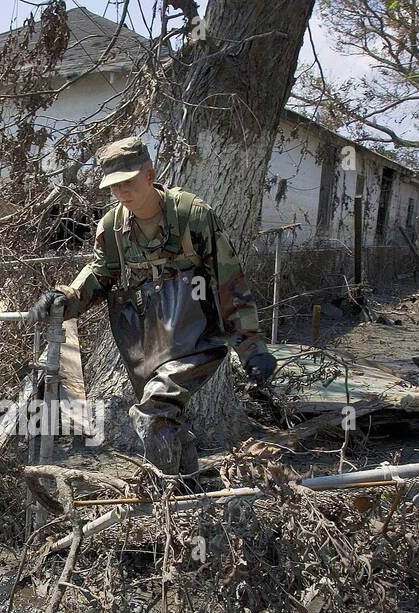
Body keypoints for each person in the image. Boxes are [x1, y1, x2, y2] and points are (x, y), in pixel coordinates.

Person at [29, 137, 275, 474]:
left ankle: (163, 496)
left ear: (149, 175)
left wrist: (252, 347)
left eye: (128, 182)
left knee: (152, 411)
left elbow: (228, 281)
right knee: (166, 416)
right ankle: (186, 485)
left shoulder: (193, 216)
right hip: (150, 340)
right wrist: (66, 298)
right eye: (114, 186)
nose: (121, 192)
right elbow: (101, 273)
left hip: (199, 336)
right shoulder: (113, 226)